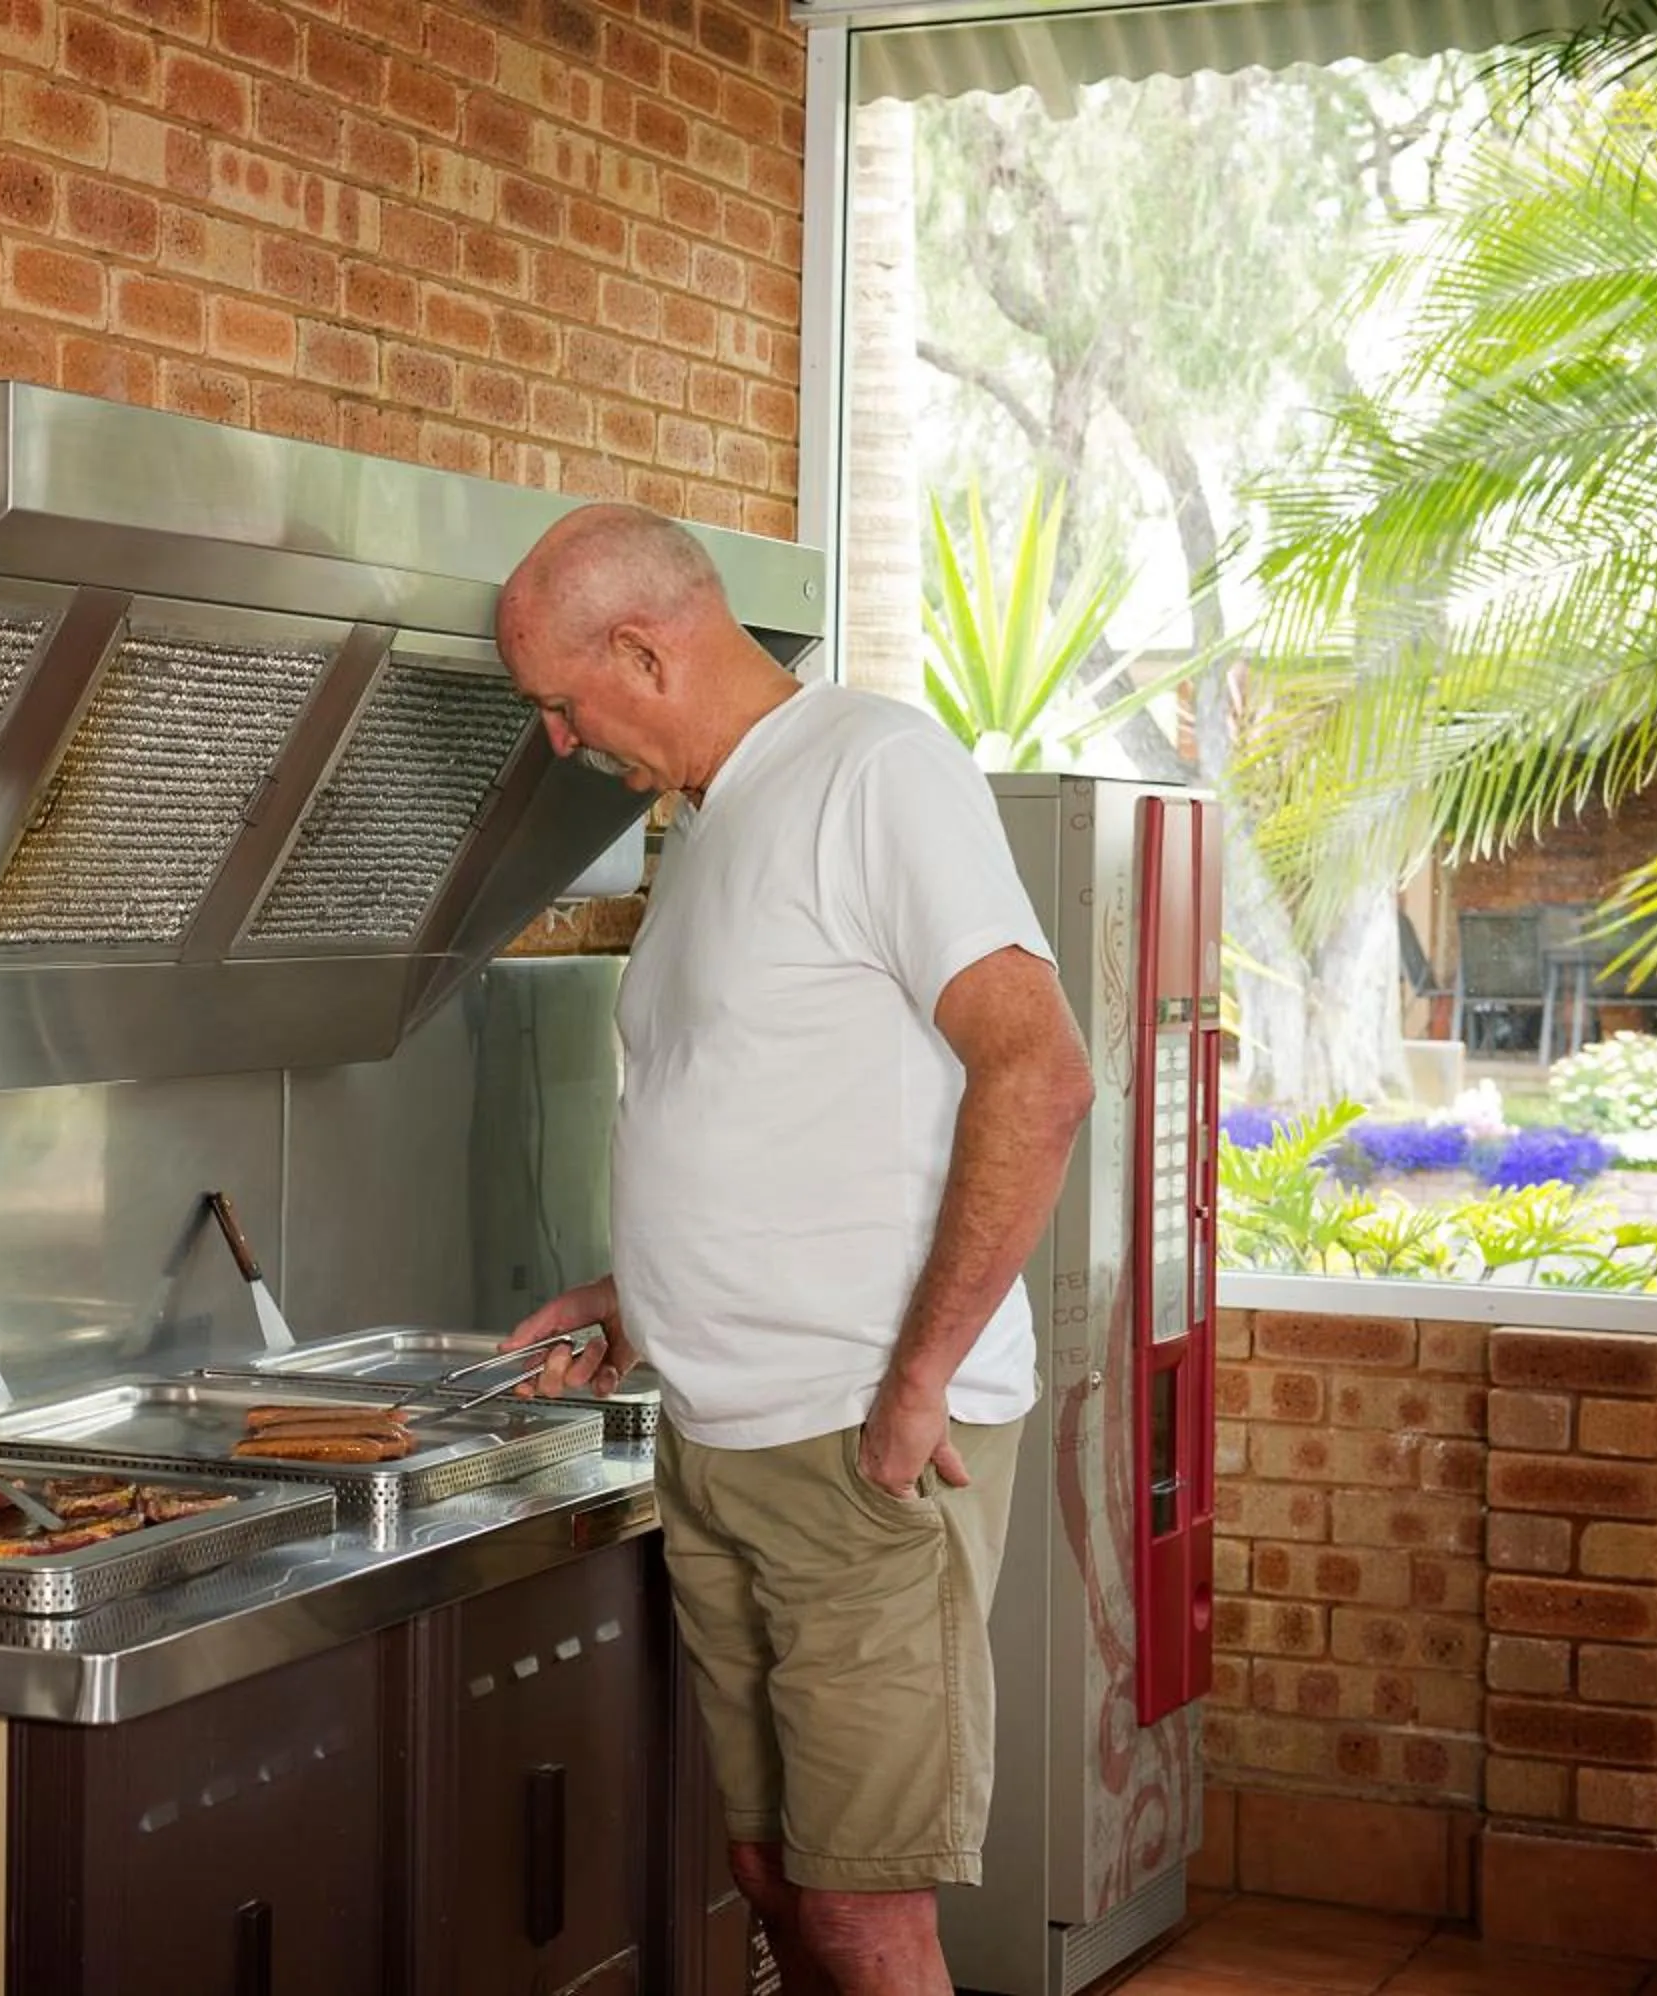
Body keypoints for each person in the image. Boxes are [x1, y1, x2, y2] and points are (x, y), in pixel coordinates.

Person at [493, 506, 1094, 1996]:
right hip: (723, 1440)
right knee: (773, 1875)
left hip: (858, 1442)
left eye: (564, 701)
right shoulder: (713, 830)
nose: (560, 741)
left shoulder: (876, 771)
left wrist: (921, 1381)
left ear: (646, 647)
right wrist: (648, 1292)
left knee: (865, 1906)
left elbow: (1039, 1069)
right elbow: (785, 1114)